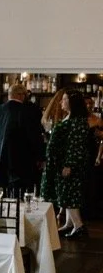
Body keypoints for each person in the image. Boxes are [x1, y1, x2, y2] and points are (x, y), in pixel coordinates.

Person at [40, 91, 91, 238]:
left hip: (69, 165)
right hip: (60, 163)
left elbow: (76, 146)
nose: (61, 102)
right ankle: (69, 224)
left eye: (64, 99)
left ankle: (78, 226)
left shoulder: (78, 121)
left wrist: (69, 164)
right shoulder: (69, 118)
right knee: (64, 193)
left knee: (70, 194)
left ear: (72, 102)